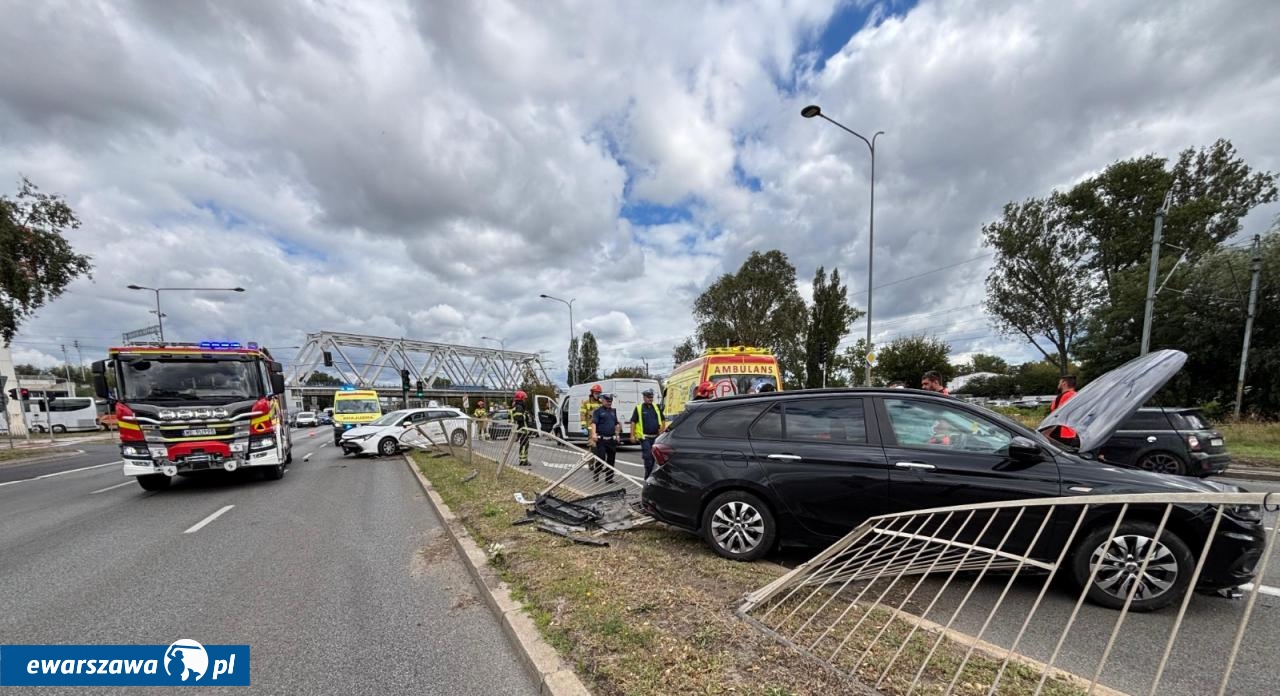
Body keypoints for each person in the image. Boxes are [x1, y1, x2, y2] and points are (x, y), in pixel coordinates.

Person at [631, 388, 666, 479]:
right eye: (648, 397)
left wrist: (662, 430)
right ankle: (648, 477)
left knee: (655, 458)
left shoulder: (656, 407)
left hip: (656, 437)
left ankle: (652, 476)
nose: (650, 399)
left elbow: (663, 420)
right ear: (644, 397)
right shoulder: (639, 408)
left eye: (651, 397)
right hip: (645, 437)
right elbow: (633, 422)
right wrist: (632, 435)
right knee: (648, 458)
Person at [589, 393, 621, 483]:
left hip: (611, 439)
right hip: (601, 439)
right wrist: (594, 434)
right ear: (602, 401)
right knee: (601, 458)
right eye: (607, 401)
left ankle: (609, 478)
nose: (609, 403)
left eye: (610, 402)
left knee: (611, 460)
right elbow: (594, 423)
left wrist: (617, 434)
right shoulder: (598, 411)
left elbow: (616, 424)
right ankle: (597, 471)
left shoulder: (613, 411)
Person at [1048, 375, 1080, 447]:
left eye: (1059, 383)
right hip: (1071, 431)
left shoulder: (1067, 396)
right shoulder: (1076, 395)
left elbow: (1058, 414)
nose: (1058, 384)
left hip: (1063, 431)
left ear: (1064, 383)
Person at [511, 390, 531, 466]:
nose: (525, 400)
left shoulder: (518, 406)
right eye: (524, 398)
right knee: (524, 445)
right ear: (521, 398)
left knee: (524, 444)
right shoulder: (519, 407)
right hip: (522, 429)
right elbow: (518, 417)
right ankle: (523, 461)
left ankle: (523, 460)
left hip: (521, 429)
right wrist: (526, 416)